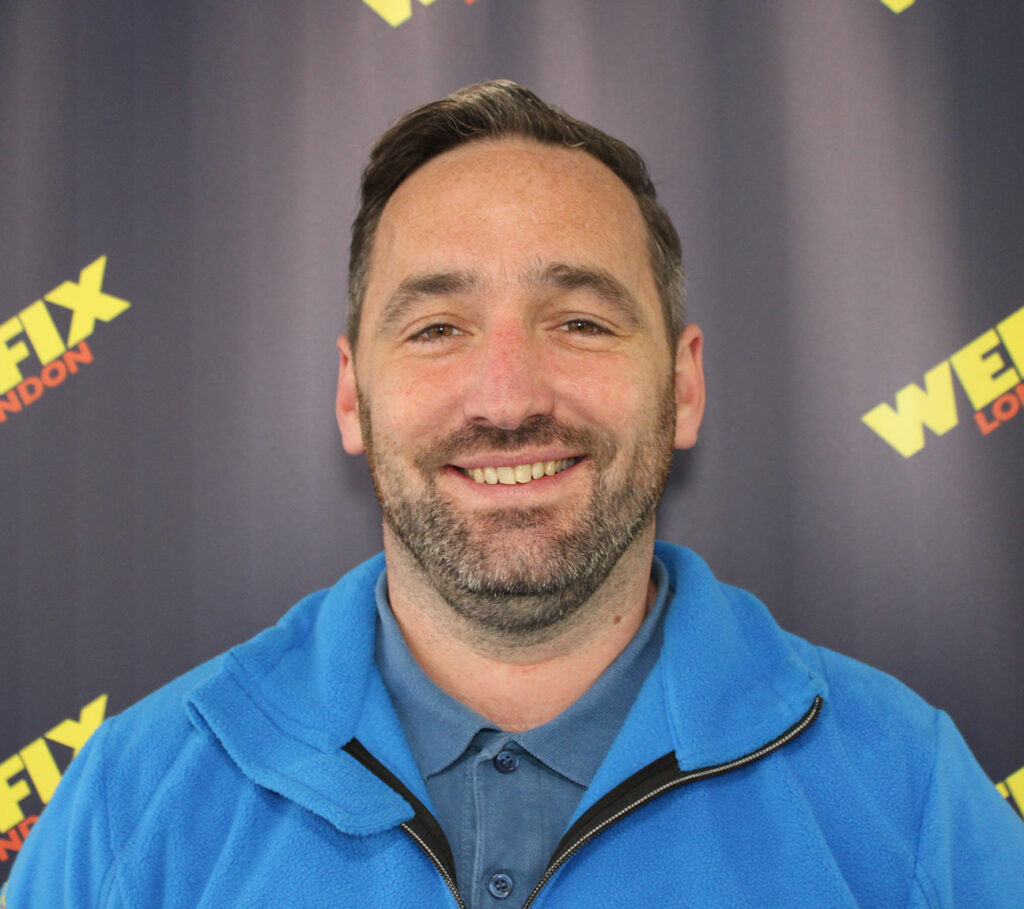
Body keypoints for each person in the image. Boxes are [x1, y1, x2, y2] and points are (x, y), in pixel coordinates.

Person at [5, 80, 1024, 908]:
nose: (507, 398)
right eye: (436, 329)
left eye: (580, 322)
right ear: (353, 396)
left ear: (684, 386)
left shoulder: (910, 794)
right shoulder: (130, 803)